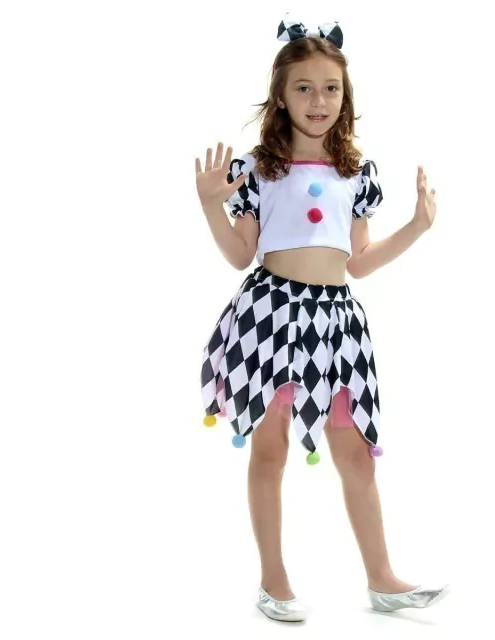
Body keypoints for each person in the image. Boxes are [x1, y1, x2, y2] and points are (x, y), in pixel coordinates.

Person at [195, 16, 449, 622]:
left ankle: (382, 579)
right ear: (281, 95)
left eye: (330, 88)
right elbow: (239, 255)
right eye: (304, 88)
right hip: (271, 317)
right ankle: (273, 580)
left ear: (345, 95)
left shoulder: (356, 173)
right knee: (271, 448)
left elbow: (358, 262)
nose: (318, 100)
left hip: (336, 324)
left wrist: (416, 228)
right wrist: (210, 205)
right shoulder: (258, 170)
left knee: (355, 450)